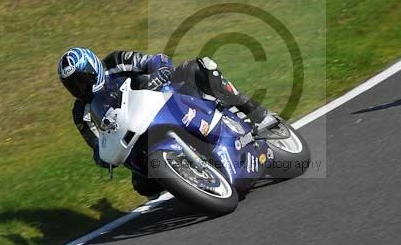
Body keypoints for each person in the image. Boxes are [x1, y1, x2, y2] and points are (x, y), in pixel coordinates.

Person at [57, 47, 275, 196]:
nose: (79, 88)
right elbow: (95, 143)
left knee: (200, 68)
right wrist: (102, 156)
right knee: (142, 186)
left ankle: (256, 113)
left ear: (93, 67)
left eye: (81, 80)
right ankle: (187, 183)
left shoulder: (116, 62)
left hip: (165, 101)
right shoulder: (81, 112)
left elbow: (155, 60)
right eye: (72, 85)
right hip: (136, 138)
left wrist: (159, 71)